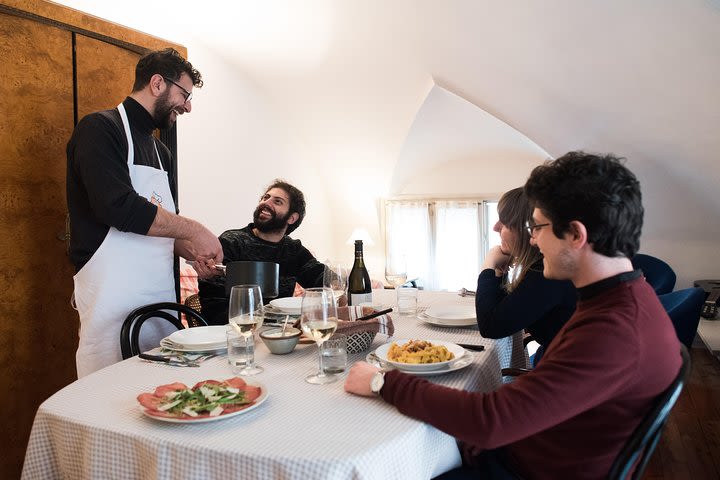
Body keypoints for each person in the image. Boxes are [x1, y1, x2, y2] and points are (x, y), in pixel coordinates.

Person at [345, 151, 682, 479]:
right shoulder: (622, 300)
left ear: (576, 235)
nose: (533, 240)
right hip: (537, 446)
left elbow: (490, 422)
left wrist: (382, 381)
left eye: (537, 227)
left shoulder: (614, 332)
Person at [67, 48, 223, 378]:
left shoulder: (161, 151)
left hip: (159, 307)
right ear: (156, 83)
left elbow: (165, 226)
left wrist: (194, 255)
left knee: (161, 397)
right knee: (111, 403)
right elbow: (119, 207)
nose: (188, 106)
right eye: (185, 95)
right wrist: (193, 229)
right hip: (110, 307)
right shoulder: (99, 129)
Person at [196, 180, 326, 325]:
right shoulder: (232, 241)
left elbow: (324, 281)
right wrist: (209, 276)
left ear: (292, 218)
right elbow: (213, 302)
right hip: (233, 330)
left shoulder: (293, 250)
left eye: (277, 201)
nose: (266, 203)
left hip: (279, 332)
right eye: (265, 198)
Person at [475, 187, 576, 365]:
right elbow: (504, 309)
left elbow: (491, 325)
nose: (495, 227)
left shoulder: (547, 273)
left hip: (562, 368)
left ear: (525, 230)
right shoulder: (543, 265)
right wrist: (500, 270)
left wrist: (488, 266)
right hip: (552, 356)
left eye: (504, 223)